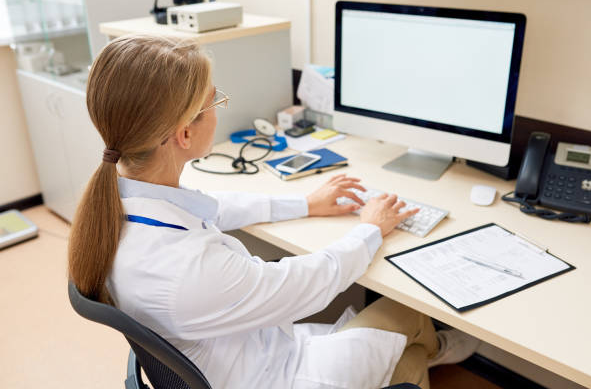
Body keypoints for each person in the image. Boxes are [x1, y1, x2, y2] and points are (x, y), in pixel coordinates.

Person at [68, 35, 479, 389]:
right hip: (276, 376)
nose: (220, 108)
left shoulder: (121, 205)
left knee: (404, 339)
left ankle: (431, 349)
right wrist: (370, 228)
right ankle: (430, 352)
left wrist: (306, 203)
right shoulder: (187, 269)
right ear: (185, 133)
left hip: (246, 354)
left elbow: (212, 207)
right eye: (215, 100)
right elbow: (305, 283)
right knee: (408, 322)